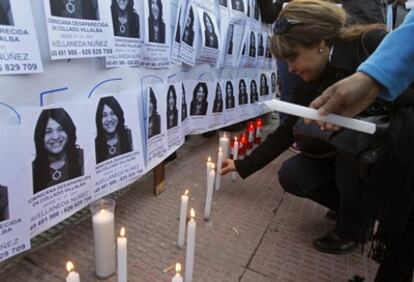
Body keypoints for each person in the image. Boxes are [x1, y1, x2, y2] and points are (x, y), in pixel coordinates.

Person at [221, 0, 390, 256]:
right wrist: (243, 165)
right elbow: (286, 131)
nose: (290, 68)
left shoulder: (372, 44)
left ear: (319, 43)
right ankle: (351, 207)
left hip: (387, 154)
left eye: (293, 57)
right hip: (345, 159)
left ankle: (355, 227)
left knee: (349, 144)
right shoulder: (306, 84)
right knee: (294, 174)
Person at [32, 108, 84, 194]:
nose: (56, 137)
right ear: (40, 136)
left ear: (69, 131)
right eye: (48, 132)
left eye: (61, 129)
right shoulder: (32, 170)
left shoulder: (82, 158)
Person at [95, 96, 133, 164]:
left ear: (118, 115)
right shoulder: (95, 145)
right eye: (104, 115)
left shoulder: (129, 135)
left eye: (112, 113)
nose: (109, 119)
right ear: (99, 119)